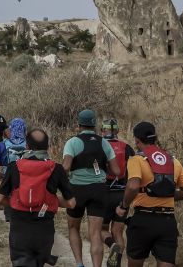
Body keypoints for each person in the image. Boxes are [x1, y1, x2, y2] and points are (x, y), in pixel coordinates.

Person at [115, 122, 183, 267]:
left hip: (142, 220)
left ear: (137, 140)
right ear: (155, 138)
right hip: (167, 222)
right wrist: (167, 194)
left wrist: (123, 206)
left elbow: (132, 187)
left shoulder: (136, 160)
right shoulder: (174, 161)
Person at [0, 129, 76, 267]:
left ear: (27, 146)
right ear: (48, 147)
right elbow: (71, 203)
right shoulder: (57, 169)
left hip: (19, 230)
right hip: (44, 230)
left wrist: (17, 202)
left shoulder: (14, 167)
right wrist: (49, 201)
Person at [62, 110, 120, 267]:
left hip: (77, 190)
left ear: (79, 125)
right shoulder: (104, 143)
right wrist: (102, 169)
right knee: (95, 233)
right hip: (99, 190)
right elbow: (116, 171)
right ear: (95, 125)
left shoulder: (72, 142)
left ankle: (80, 263)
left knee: (73, 227)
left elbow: (66, 167)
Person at [100, 119, 135, 267]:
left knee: (102, 229)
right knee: (118, 231)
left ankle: (111, 244)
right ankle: (117, 263)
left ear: (102, 131)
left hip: (105, 192)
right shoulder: (127, 147)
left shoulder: (99, 145)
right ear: (118, 131)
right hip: (122, 195)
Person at [0, 118, 27, 221]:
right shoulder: (29, 145)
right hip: (27, 179)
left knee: (11, 212)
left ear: (11, 129)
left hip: (8, 179)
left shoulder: (3, 145)